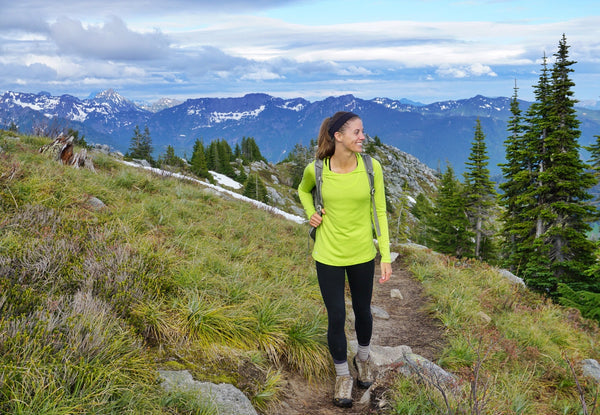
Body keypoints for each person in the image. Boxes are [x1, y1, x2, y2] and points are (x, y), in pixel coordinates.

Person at [297, 111, 392, 408]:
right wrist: (309, 212)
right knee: (336, 315)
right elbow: (303, 190)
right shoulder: (316, 169)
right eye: (357, 132)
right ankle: (342, 375)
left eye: (363, 131)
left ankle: (362, 358)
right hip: (327, 254)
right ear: (338, 136)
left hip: (363, 253)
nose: (363, 136)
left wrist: (386, 256)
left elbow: (380, 213)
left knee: (363, 311)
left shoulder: (371, 167)